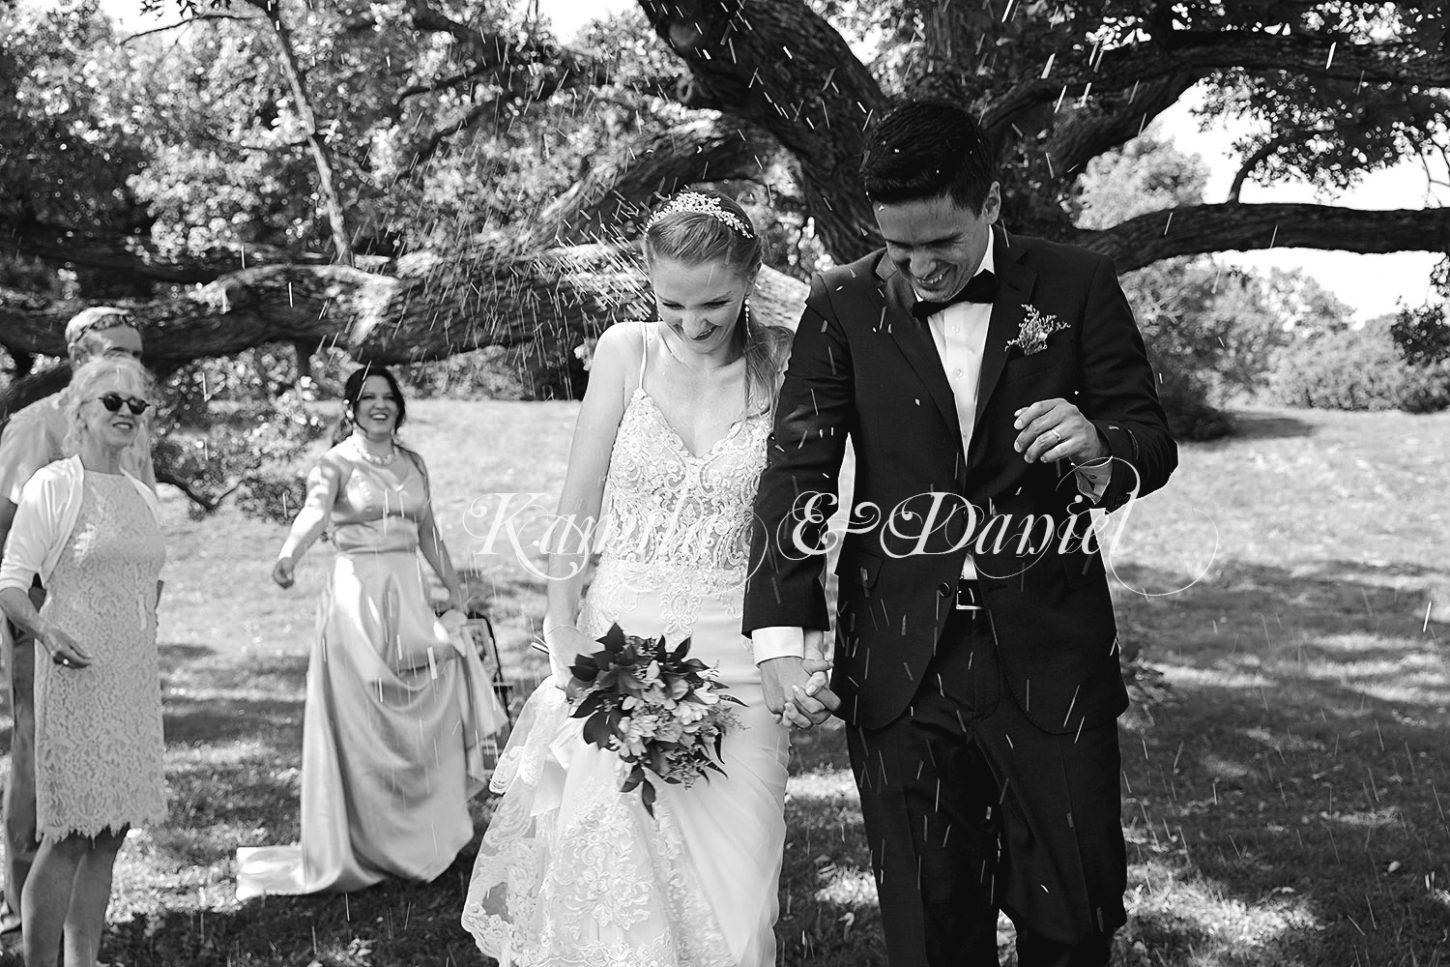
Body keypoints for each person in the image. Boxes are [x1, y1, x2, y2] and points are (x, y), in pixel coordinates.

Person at [744, 101, 1178, 967]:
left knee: (1074, 916)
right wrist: (781, 627)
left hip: (1051, 649)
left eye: (941, 244)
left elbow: (1148, 441)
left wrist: (1099, 450)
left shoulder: (1076, 282)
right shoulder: (841, 300)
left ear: (991, 205)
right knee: (930, 925)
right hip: (901, 667)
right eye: (899, 248)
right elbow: (799, 465)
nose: (919, 268)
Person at [462, 189, 828, 967]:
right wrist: (565, 643)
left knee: (736, 906)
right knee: (610, 888)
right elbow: (576, 509)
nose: (693, 325)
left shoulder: (789, 357)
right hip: (617, 652)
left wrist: (808, 641)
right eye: (673, 305)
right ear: (647, 286)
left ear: (750, 281)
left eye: (715, 306)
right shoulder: (624, 351)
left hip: (743, 655)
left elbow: (809, 517)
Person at [235, 366, 503, 899]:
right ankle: (360, 842)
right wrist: (289, 556)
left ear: (399, 407)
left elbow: (430, 534)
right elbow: (313, 514)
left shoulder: (414, 463)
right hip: (356, 599)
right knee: (363, 723)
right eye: (367, 398)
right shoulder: (335, 463)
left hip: (408, 596)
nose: (379, 406)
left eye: (388, 397)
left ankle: (422, 838)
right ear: (351, 408)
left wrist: (456, 593)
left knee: (426, 709)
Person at [0, 355, 166, 967]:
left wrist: (144, 627)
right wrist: (45, 633)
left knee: (111, 831)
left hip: (130, 680)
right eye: (112, 403)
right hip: (73, 674)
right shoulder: (54, 485)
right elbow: (12, 583)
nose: (127, 413)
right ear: (81, 413)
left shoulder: (143, 497)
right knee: (69, 831)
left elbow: (150, 579)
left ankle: (84, 961)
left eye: (136, 405)